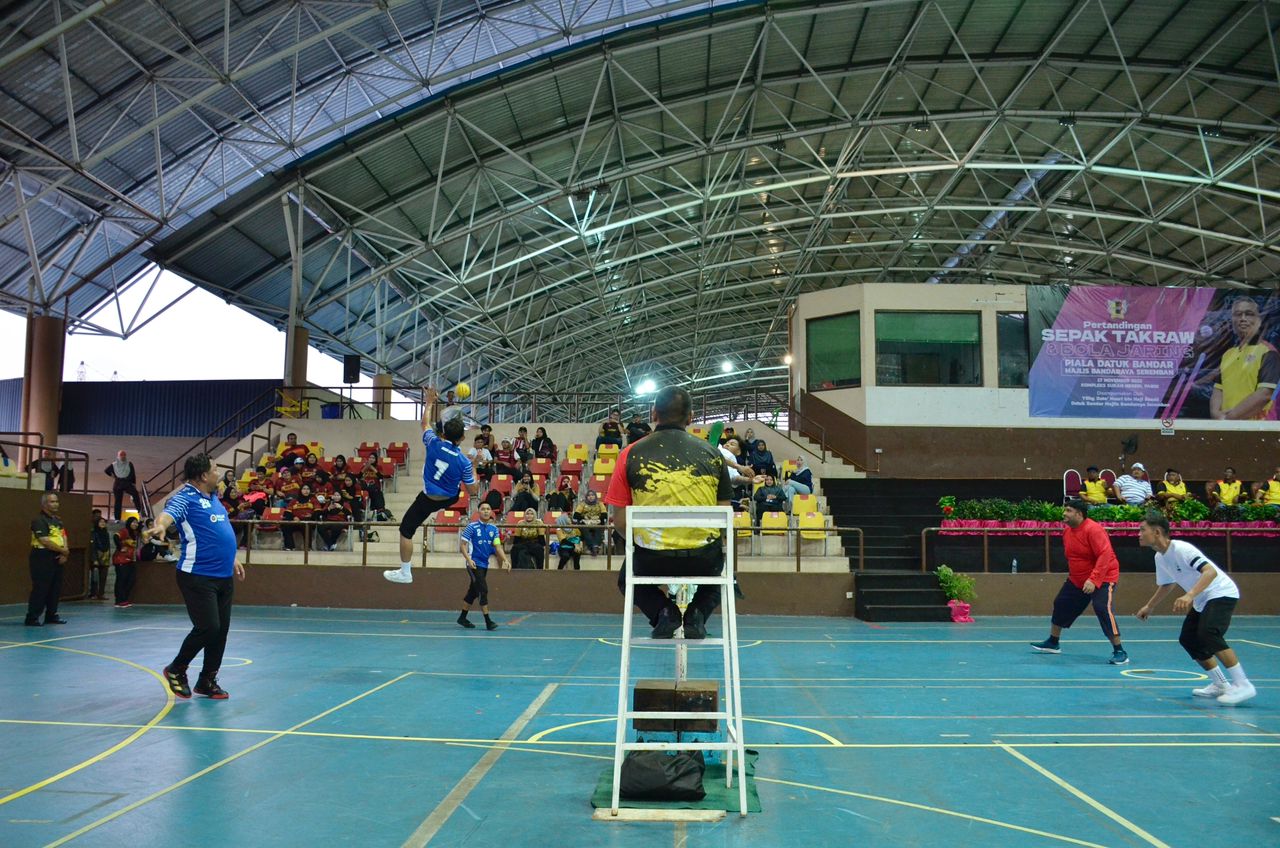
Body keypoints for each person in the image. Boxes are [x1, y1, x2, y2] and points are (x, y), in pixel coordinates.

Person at [604, 386, 733, 639]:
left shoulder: (628, 454)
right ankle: (696, 615)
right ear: (690, 417)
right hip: (703, 558)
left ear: (653, 414)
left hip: (652, 557)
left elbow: (619, 520)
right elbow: (724, 516)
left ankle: (664, 613)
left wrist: (642, 545)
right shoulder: (714, 455)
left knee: (626, 578)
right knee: (725, 574)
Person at [146, 453, 245, 700]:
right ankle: (177, 669)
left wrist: (231, 556)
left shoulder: (213, 498)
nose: (219, 472)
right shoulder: (185, 498)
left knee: (220, 631)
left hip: (223, 576)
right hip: (198, 576)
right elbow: (169, 514)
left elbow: (215, 532)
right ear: (203, 475)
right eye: (215, 468)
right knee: (208, 627)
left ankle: (207, 680)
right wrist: (160, 525)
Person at [1135, 513, 1255, 705]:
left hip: (1221, 593)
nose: (1138, 534)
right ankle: (1220, 684)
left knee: (1209, 633)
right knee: (1188, 639)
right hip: (1203, 599)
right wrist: (1150, 606)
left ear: (1157, 532)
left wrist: (1189, 595)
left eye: (1142, 530)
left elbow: (1210, 572)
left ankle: (1243, 684)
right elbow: (1167, 584)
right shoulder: (1160, 557)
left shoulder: (1182, 549)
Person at [384, 387, 479, 584]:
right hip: (451, 498)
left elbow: (424, 423)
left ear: (442, 432)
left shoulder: (433, 442)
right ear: (462, 438)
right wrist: (475, 466)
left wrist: (429, 402)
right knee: (457, 488)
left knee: (406, 530)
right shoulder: (464, 462)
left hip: (428, 499)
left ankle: (405, 572)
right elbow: (474, 491)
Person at [1031, 499, 1128, 664]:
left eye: (1068, 510)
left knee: (1102, 608)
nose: (1064, 514)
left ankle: (1119, 650)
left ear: (1079, 514)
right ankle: (1053, 642)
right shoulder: (1067, 531)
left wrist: (1094, 579)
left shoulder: (1094, 530)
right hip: (1078, 579)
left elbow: (1105, 555)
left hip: (1104, 577)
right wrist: (1078, 577)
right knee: (1061, 603)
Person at [1210, 296, 1279, 420]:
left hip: (1258, 429)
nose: (1243, 318)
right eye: (1238, 314)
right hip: (1228, 428)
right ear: (1232, 320)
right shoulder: (1228, 354)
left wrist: (1230, 418)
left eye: (1249, 314)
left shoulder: (1268, 352)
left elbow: (1265, 394)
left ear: (1259, 320)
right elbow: (1218, 390)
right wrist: (1216, 414)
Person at [458, 502, 507, 630]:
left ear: (491, 512)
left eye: (488, 509)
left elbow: (497, 546)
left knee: (473, 592)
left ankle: (462, 618)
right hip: (474, 564)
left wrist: (505, 560)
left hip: (484, 564)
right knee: (482, 590)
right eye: (483, 509)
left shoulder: (494, 529)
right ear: (478, 512)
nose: (486, 511)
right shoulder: (471, 527)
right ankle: (488, 621)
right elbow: (462, 545)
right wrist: (468, 559)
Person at [25, 492, 70, 626]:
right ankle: (32, 617)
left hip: (57, 556)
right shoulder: (39, 520)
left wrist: (64, 553)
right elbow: (45, 541)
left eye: (56, 501)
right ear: (44, 504)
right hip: (42, 557)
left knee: (55, 587)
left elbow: (64, 536)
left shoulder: (58, 520)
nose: (56, 504)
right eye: (52, 501)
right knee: (41, 587)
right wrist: (62, 550)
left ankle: (51, 615)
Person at [105, 450, 142, 520]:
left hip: (127, 482)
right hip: (118, 483)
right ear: (118, 456)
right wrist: (114, 476)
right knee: (118, 501)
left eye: (124, 455)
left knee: (135, 493)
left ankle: (139, 510)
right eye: (121, 455)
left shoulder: (129, 464)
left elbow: (133, 474)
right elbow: (106, 470)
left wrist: (133, 484)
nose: (123, 457)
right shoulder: (114, 464)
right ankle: (117, 518)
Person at [112, 516, 140, 607]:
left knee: (131, 579)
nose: (135, 524)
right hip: (121, 559)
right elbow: (115, 536)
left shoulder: (134, 533)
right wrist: (120, 547)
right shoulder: (124, 531)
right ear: (129, 523)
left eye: (136, 522)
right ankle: (119, 601)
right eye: (133, 522)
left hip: (130, 559)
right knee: (121, 580)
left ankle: (125, 599)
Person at [574, 490, 608, 555]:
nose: (591, 497)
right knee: (586, 531)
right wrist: (584, 518)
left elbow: (604, 515)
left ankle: (595, 546)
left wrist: (598, 519)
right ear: (586, 497)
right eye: (589, 495)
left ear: (595, 496)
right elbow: (576, 515)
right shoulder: (582, 504)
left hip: (597, 522)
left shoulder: (600, 504)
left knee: (598, 530)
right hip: (585, 522)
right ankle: (593, 547)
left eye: (592, 495)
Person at [89, 515, 111, 600]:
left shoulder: (106, 533)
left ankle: (101, 594)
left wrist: (108, 556)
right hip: (97, 556)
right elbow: (93, 546)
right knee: (95, 577)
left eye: (104, 522)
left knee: (103, 577)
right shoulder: (94, 533)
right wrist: (94, 559)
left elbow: (108, 545)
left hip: (105, 556)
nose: (103, 524)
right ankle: (93, 593)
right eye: (101, 522)